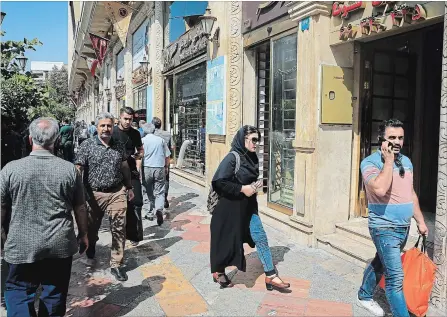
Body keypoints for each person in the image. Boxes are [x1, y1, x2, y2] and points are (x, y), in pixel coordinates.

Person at [1, 117, 88, 317]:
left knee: (18, 291)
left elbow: (2, 205)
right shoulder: (69, 170)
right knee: (54, 292)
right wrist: (83, 234)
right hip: (58, 244)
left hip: (21, 244)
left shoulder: (10, 170)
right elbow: (80, 206)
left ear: (30, 139)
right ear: (56, 140)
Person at [357, 118, 428, 317]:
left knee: (381, 262)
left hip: (403, 227)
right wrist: (388, 161)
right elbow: (379, 189)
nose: (397, 142)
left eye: (400, 137)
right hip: (383, 228)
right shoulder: (369, 163)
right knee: (395, 277)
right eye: (392, 138)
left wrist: (420, 221)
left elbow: (410, 193)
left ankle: (364, 295)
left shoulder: (406, 162)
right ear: (382, 139)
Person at [210, 125, 290, 290]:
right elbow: (219, 182)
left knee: (260, 236)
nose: (256, 143)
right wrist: (241, 189)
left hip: (248, 208)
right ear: (243, 139)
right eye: (253, 139)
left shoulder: (252, 157)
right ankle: (218, 271)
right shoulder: (232, 157)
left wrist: (253, 186)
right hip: (229, 210)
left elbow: (246, 179)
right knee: (226, 243)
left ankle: (271, 275)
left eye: (258, 140)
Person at [75, 112, 134, 282]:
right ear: (97, 127)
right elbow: (78, 168)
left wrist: (129, 187)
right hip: (93, 194)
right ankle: (91, 242)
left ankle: (117, 264)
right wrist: (76, 191)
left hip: (116, 192)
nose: (106, 129)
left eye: (109, 125)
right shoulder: (87, 145)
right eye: (103, 125)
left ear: (113, 126)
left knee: (119, 228)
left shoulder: (119, 145)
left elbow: (124, 167)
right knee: (91, 228)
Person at [112, 107, 144, 247]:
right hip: (115, 173)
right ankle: (118, 235)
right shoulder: (112, 132)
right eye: (125, 119)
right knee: (117, 206)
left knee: (136, 203)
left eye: (130, 119)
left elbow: (141, 149)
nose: (127, 122)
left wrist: (138, 159)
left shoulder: (135, 133)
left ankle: (135, 235)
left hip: (131, 172)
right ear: (120, 117)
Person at [141, 123, 170, 226]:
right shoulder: (160, 140)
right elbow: (167, 156)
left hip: (147, 168)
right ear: (154, 130)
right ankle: (159, 209)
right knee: (160, 191)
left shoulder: (143, 141)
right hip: (159, 167)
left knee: (147, 189)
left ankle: (149, 212)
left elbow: (139, 156)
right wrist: (166, 167)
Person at [152, 117, 172, 209]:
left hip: (152, 161)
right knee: (166, 180)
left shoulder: (150, 134)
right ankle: (164, 198)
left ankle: (155, 199)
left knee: (153, 181)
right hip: (164, 160)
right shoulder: (167, 134)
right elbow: (173, 147)